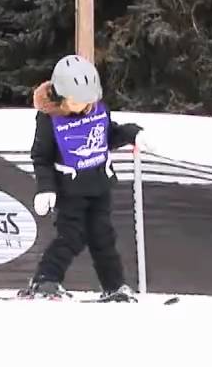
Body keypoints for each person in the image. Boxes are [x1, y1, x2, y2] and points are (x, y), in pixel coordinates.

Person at [19, 54, 145, 302]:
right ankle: (46, 280)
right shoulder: (49, 119)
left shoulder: (96, 109)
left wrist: (133, 134)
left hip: (99, 186)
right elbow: (41, 157)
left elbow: (108, 135)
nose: (84, 105)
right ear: (61, 95)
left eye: (88, 99)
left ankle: (115, 286)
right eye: (77, 100)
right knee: (71, 236)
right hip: (69, 191)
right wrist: (45, 188)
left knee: (103, 237)